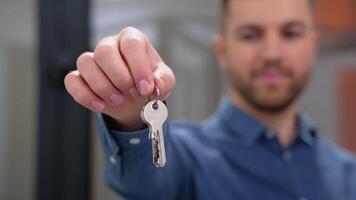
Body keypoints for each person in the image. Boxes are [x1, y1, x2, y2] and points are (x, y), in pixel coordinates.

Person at [64, 0, 356, 199]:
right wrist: (132, 115)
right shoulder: (186, 161)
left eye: (290, 33)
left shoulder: (349, 174)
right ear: (222, 52)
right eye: (250, 35)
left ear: (313, 46)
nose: (272, 54)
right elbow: (147, 184)